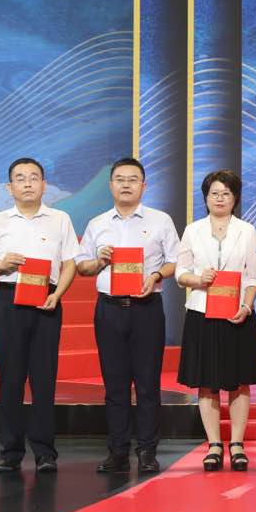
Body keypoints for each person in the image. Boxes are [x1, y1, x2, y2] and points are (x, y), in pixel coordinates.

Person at [0, 157, 79, 473]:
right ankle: (11, 452)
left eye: (34, 177)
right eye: (20, 178)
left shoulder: (60, 219)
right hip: (9, 301)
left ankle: (45, 452)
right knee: (10, 378)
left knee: (44, 378)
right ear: (9, 187)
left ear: (44, 184)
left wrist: (58, 294)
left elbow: (70, 262)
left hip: (47, 299)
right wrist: (1, 264)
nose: (28, 183)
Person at [75, 157, 180, 474]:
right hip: (109, 309)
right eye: (120, 179)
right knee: (115, 383)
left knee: (147, 383)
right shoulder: (97, 224)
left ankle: (147, 450)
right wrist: (99, 261)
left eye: (133, 179)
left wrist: (156, 276)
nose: (126, 184)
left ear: (143, 186)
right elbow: (82, 267)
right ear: (111, 186)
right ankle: (117, 451)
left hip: (147, 309)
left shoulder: (160, 220)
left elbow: (176, 261)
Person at [176, 170, 256, 471]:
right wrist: (197, 279)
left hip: (237, 314)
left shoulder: (247, 231)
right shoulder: (193, 230)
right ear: (205, 197)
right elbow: (180, 273)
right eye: (214, 193)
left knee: (239, 382)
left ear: (235, 198)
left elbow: (253, 276)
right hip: (201, 312)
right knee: (206, 383)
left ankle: (237, 444)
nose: (219, 198)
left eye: (226, 193)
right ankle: (214, 445)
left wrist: (247, 306)